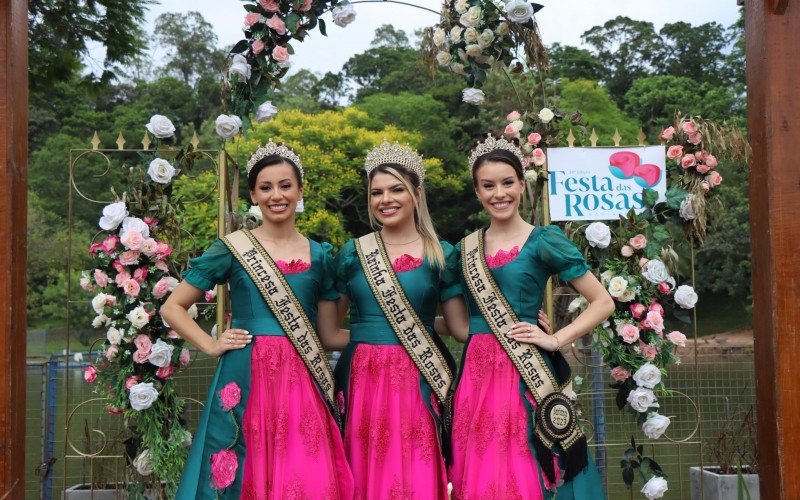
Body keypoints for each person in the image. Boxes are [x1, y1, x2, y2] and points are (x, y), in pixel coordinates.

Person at [162, 142, 354, 499]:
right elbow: (173, 307)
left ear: (300, 190)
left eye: (285, 185)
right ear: (253, 194)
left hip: (304, 374)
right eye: (265, 187)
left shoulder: (322, 255)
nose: (276, 195)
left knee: (306, 471)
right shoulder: (233, 247)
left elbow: (327, 334)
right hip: (246, 371)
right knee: (242, 467)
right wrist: (210, 344)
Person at [449, 134, 615, 499]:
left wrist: (555, 339)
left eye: (508, 183)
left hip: (525, 373)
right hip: (476, 377)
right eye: (488, 185)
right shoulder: (462, 251)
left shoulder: (544, 240)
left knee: (526, 464)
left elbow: (603, 302)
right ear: (477, 192)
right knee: (480, 466)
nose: (499, 193)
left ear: (522, 186)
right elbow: (458, 324)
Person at [332, 140, 468, 499]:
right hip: (362, 378)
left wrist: (516, 324)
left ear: (417, 193)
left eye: (396, 189)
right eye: (376, 192)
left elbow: (458, 328)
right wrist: (372, 335)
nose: (385, 199)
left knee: (418, 470)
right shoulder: (352, 252)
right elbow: (329, 334)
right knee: (362, 471)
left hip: (421, 377)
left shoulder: (443, 253)